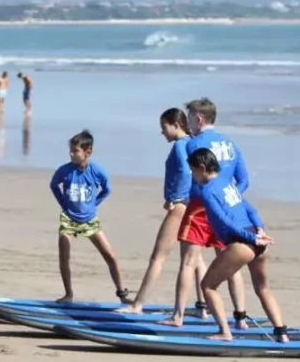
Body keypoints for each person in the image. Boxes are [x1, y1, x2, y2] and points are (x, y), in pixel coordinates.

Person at [159, 97, 250, 328]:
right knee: (228, 262)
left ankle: (178, 315)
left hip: (199, 207)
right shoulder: (231, 145)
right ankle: (240, 317)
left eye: (189, 118)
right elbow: (244, 180)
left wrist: (175, 198)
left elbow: (190, 175)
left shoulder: (193, 143)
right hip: (226, 208)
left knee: (188, 262)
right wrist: (227, 197)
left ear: (198, 119)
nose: (187, 124)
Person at [187, 148, 287, 342]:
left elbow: (225, 221)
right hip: (256, 240)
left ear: (202, 168)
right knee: (263, 288)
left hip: (243, 243)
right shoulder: (228, 184)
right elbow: (250, 209)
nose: (193, 176)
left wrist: (250, 238)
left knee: (208, 286)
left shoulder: (208, 191)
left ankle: (224, 332)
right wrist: (260, 230)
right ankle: (281, 333)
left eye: (193, 171)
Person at [118, 107, 196, 313]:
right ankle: (203, 307)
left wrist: (173, 198)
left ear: (176, 125)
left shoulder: (180, 146)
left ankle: (137, 304)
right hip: (194, 206)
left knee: (158, 257)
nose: (162, 132)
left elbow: (184, 172)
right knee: (194, 259)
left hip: (180, 206)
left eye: (164, 128)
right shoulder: (194, 143)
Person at [50, 130, 131, 304]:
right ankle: (68, 294)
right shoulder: (64, 171)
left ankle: (122, 293)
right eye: (70, 151)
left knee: (110, 256)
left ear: (88, 152)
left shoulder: (97, 171)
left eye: (75, 151)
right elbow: (54, 185)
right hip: (69, 219)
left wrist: (94, 203)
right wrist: (63, 204)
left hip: (89, 220)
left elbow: (107, 189)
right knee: (64, 254)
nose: (72, 154)